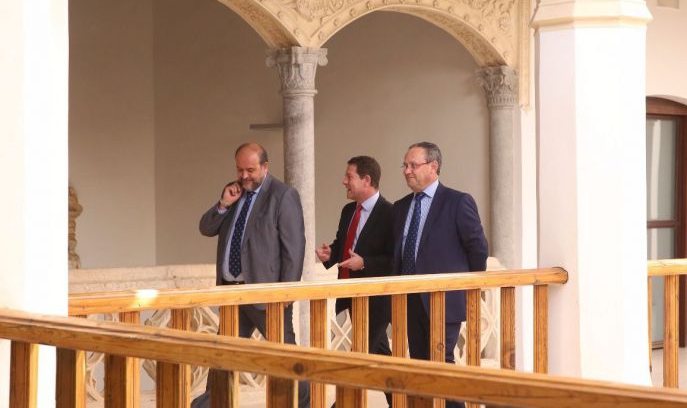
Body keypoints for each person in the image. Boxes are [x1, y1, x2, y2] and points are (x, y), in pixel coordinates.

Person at [192, 142, 309, 408]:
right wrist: (223, 203)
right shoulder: (233, 193)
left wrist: (287, 291)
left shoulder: (283, 195)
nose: (244, 176)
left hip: (267, 295)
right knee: (222, 356)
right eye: (240, 169)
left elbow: (294, 248)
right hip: (232, 292)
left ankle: (304, 405)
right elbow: (206, 228)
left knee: (286, 358)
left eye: (250, 170)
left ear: (265, 167)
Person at [392, 142, 489, 408]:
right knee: (422, 366)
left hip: (444, 299)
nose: (407, 171)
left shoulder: (457, 202)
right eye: (405, 165)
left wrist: (467, 286)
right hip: (410, 300)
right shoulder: (401, 207)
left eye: (413, 165)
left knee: (441, 363)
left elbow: (478, 248)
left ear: (433, 167)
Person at [315, 155, 393, 406]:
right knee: (381, 357)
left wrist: (366, 262)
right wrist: (331, 255)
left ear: (367, 180)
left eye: (349, 177)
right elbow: (345, 246)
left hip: (377, 299)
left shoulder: (390, 213)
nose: (343, 181)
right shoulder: (348, 210)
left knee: (359, 356)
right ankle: (405, 401)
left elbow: (395, 259)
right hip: (350, 293)